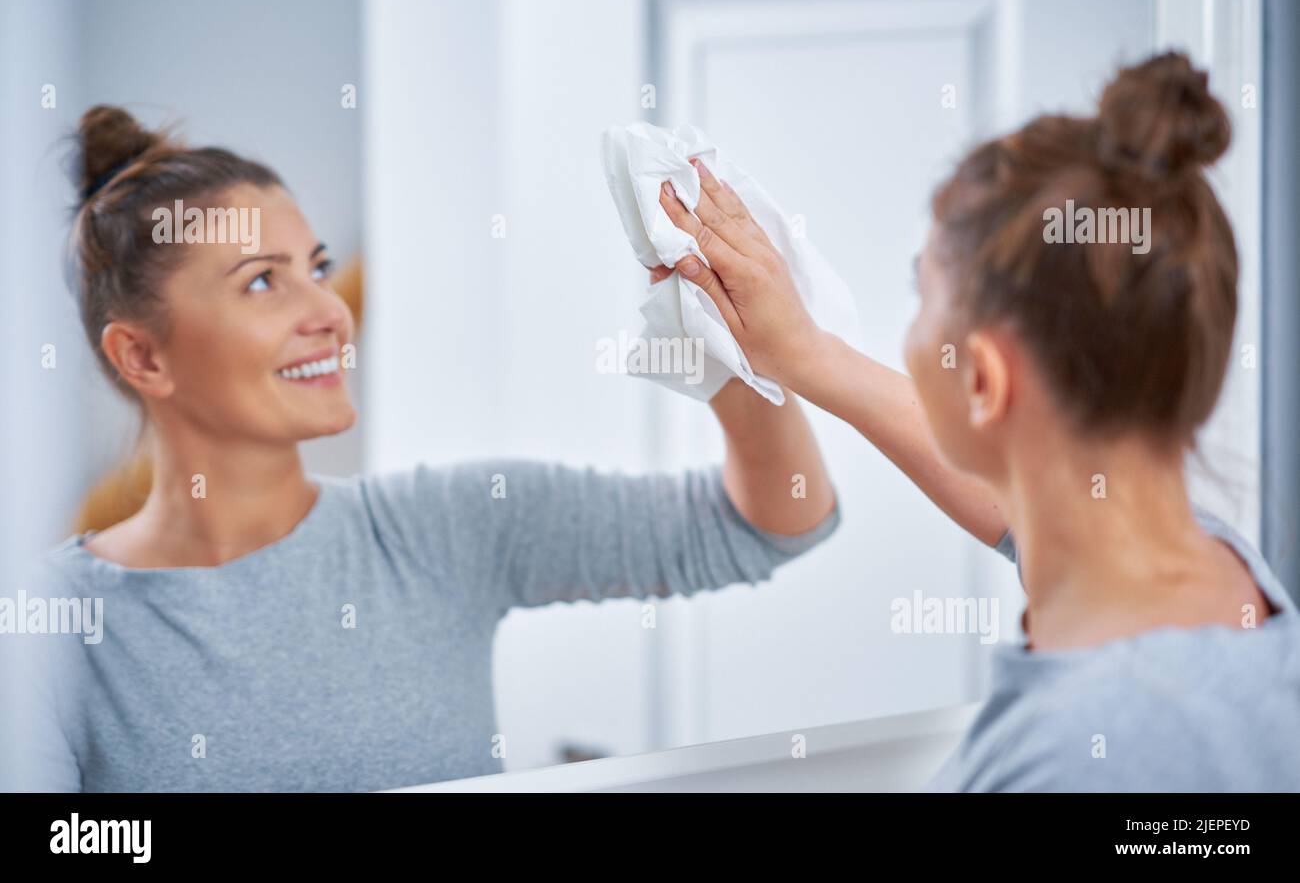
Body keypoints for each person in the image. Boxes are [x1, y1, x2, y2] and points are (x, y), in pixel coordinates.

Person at [11, 105, 851, 792]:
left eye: (318, 266)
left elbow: (778, 521)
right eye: (264, 281)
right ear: (142, 356)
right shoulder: (47, 628)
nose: (330, 312)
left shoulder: (442, 526)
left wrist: (734, 360)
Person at [658, 51, 1300, 791]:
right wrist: (806, 355)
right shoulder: (1214, 566)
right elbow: (1030, 505)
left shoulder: (1069, 754)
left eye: (922, 292)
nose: (913, 325)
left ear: (986, 382)